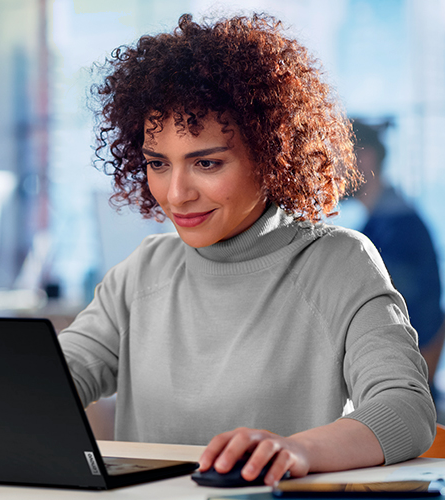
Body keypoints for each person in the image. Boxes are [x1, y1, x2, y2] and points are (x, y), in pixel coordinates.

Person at [58, 13, 435, 487]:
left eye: (207, 163)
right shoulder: (143, 271)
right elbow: (53, 380)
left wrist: (298, 449)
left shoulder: (338, 263)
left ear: (270, 154)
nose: (176, 194)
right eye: (157, 163)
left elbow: (406, 408)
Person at [351, 119, 445, 385]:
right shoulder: (384, 222)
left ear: (364, 158)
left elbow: (407, 320)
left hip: (400, 387)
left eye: (334, 156)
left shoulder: (396, 229)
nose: (327, 169)